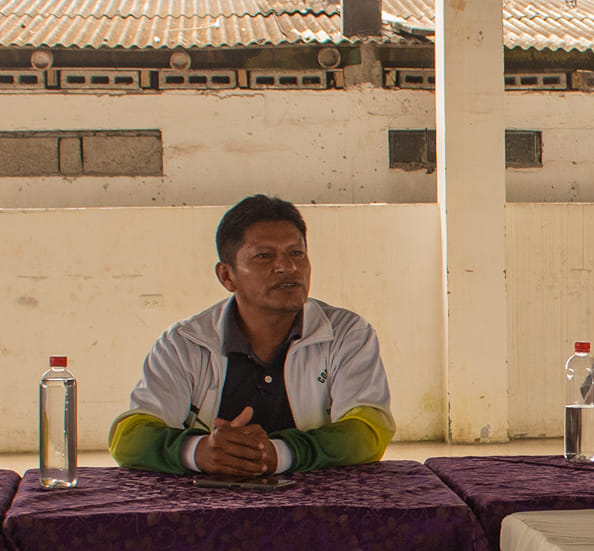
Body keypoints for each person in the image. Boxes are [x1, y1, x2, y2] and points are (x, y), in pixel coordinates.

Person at [111, 195, 394, 476]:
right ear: (226, 276)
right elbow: (129, 438)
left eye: (297, 253)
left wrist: (280, 453)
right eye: (264, 256)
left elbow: (369, 432)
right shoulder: (183, 344)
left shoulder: (346, 334)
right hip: (207, 503)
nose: (288, 267)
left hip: (320, 501)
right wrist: (198, 451)